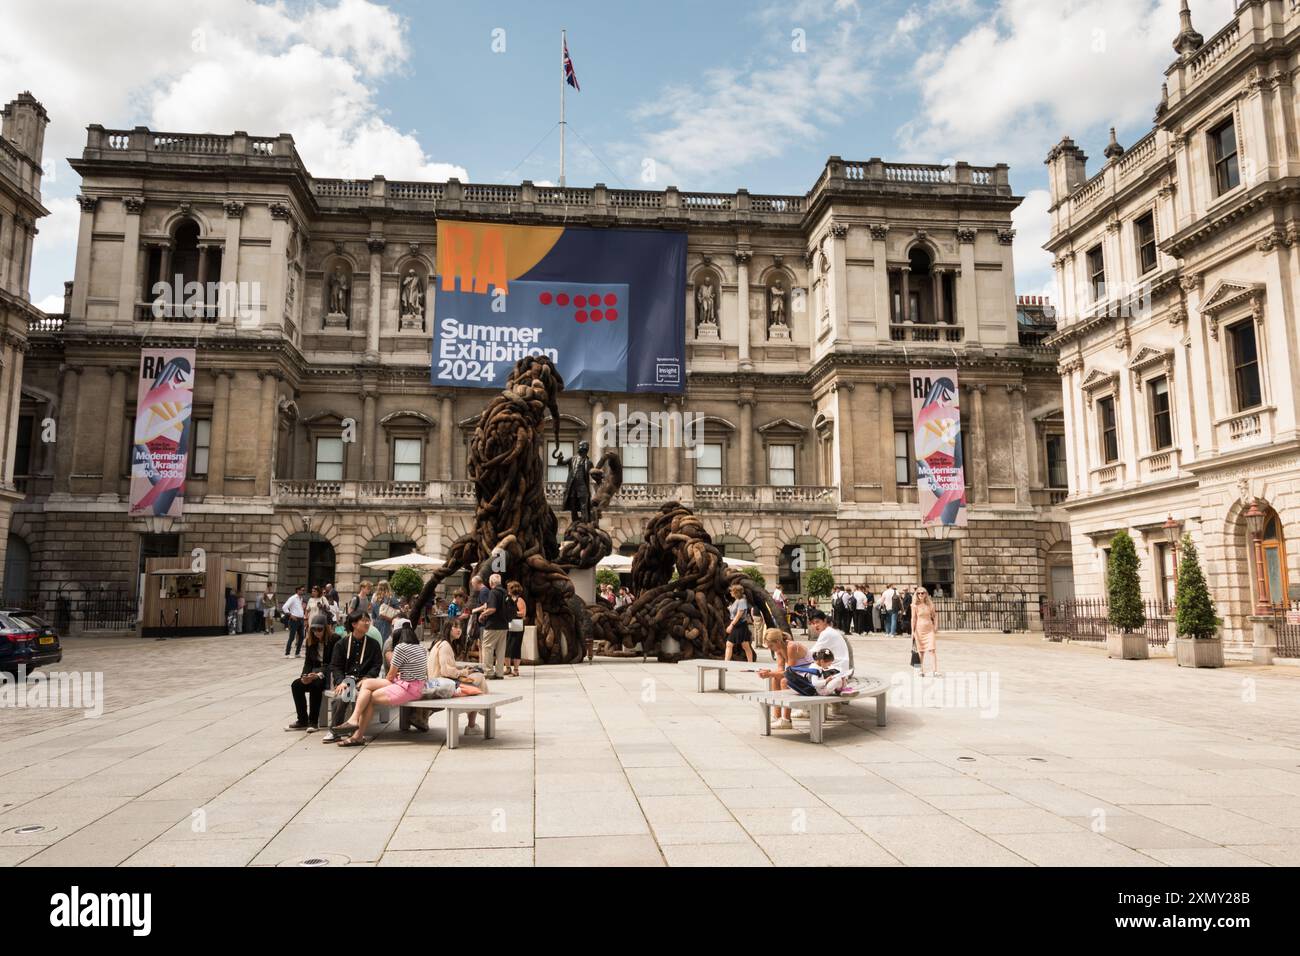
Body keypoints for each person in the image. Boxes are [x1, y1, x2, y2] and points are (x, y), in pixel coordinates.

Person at [335, 620, 430, 747]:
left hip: (407, 687)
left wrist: (394, 675)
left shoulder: (400, 648)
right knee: (367, 683)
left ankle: (357, 734)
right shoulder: (421, 648)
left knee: (369, 697)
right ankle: (354, 722)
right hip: (413, 686)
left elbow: (390, 675)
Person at [321, 610, 383, 743]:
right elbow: (335, 666)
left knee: (362, 696)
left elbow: (377, 665)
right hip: (347, 680)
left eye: (368, 620)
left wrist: (368, 677)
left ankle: (356, 732)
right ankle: (335, 731)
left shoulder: (373, 644)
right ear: (354, 624)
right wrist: (340, 681)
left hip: (365, 681)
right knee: (342, 696)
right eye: (364, 620)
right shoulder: (341, 644)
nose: (367, 623)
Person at [430, 619, 487, 734]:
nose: (459, 630)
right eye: (455, 627)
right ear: (448, 629)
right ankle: (473, 723)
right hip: (442, 684)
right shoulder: (445, 646)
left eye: (460, 627)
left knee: (476, 677)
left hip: (437, 681)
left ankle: (477, 719)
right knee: (479, 680)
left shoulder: (440, 643)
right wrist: (463, 672)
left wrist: (463, 670)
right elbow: (446, 671)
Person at [286, 613, 334, 731]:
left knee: (315, 685)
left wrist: (318, 675)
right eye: (313, 629)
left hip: (329, 675)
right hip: (314, 673)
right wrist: (304, 676)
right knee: (296, 685)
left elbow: (334, 663)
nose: (316, 632)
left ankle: (313, 721)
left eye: (319, 629)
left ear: (326, 628)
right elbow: (308, 663)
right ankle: (302, 720)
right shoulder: (310, 641)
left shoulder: (334, 639)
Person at [758, 628, 811, 730]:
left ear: (777, 642)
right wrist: (769, 673)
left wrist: (770, 673)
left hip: (809, 676)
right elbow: (780, 670)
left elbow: (790, 673)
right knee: (775, 679)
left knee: (784, 681)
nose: (770, 649)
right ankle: (777, 716)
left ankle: (786, 720)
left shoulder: (791, 646)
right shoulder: (779, 649)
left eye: (771, 646)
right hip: (799, 674)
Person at [476, 572, 509, 679]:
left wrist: (483, 614)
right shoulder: (505, 592)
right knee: (501, 650)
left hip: (492, 625)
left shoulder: (493, 592)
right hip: (504, 625)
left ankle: (489, 672)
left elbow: (492, 609)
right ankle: (499, 673)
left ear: (491, 583)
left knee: (487, 648)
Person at [913, 587, 941, 677]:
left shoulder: (930, 605)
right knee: (921, 651)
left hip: (929, 630)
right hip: (919, 630)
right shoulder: (914, 605)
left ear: (926, 594)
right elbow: (913, 619)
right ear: (916, 595)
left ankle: (935, 671)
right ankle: (920, 670)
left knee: (932, 650)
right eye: (919, 593)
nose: (920, 595)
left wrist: (936, 626)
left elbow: (935, 616)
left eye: (922, 593)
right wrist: (912, 632)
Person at [724, 583, 755, 662]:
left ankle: (726, 664)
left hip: (739, 624)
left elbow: (739, 614)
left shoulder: (742, 601)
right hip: (738, 624)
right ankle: (750, 663)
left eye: (731, 591)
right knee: (744, 645)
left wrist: (731, 625)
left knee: (731, 644)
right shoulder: (737, 600)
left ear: (736, 592)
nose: (730, 592)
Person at [504, 580, 527, 678]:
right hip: (508, 626)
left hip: (517, 626)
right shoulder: (506, 599)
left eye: (508, 588)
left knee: (516, 647)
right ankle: (508, 668)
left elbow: (523, 613)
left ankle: (516, 670)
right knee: (506, 648)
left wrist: (512, 612)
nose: (507, 590)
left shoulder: (520, 600)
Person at [282, 586, 307, 657]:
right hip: (294, 619)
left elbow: (300, 609)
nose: (303, 591)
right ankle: (287, 653)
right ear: (297, 590)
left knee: (302, 636)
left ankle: (297, 653)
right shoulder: (293, 598)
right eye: (302, 590)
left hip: (301, 619)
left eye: (303, 590)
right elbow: (284, 607)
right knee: (292, 637)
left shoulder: (301, 599)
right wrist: (290, 615)